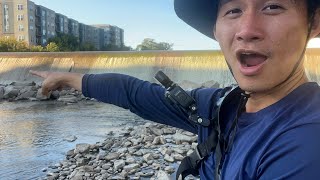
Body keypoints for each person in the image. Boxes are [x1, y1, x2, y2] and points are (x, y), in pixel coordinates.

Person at [30, 0, 320, 179]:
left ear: (314, 22)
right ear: (217, 30)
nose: (246, 29)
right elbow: (136, 94)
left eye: (272, 6)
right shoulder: (223, 105)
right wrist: (68, 79)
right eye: (233, 10)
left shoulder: (307, 144)